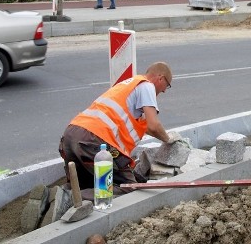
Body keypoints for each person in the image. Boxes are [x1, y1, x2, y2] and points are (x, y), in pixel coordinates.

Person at [58, 62, 178, 195]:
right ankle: (76, 200)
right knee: (130, 188)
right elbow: (153, 126)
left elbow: (145, 127)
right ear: (160, 78)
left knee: (84, 184)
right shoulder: (146, 85)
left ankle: (62, 197)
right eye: (167, 85)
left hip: (71, 137)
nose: (165, 90)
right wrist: (169, 139)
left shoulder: (129, 85)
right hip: (95, 142)